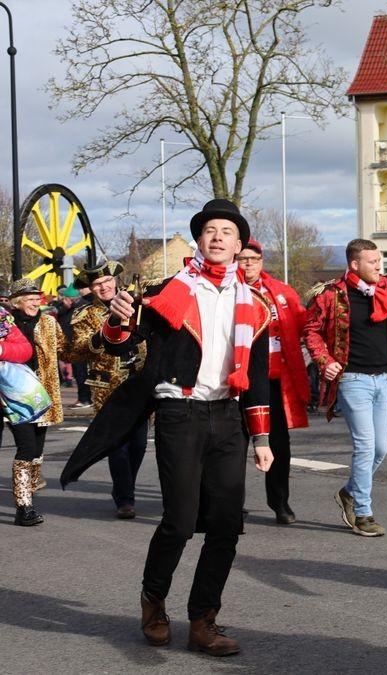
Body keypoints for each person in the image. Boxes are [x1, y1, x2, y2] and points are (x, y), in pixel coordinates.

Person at [70, 198, 274, 656]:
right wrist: (119, 321)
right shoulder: (169, 291)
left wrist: (260, 436)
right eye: (210, 231)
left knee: (226, 524)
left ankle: (203, 620)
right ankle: (153, 599)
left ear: (239, 245)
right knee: (180, 523)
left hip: (227, 416)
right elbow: (119, 344)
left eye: (226, 231)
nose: (217, 237)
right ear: (200, 240)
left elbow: (257, 375)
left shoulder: (256, 305)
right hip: (179, 413)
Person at [304, 238, 387, 537]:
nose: (379, 266)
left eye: (379, 261)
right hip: (352, 379)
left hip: (383, 379)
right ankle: (363, 514)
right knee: (365, 446)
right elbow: (311, 331)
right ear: (355, 264)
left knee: (381, 449)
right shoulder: (331, 295)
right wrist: (324, 360)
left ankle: (349, 492)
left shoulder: (386, 288)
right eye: (373, 262)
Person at [65, 260, 148, 519]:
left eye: (106, 281)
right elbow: (78, 350)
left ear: (115, 281)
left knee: (139, 444)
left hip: (139, 382)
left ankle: (125, 488)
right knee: (118, 444)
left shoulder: (138, 305)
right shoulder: (84, 315)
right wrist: (103, 334)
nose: (103, 287)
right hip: (107, 386)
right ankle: (125, 498)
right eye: (97, 284)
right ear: (90, 288)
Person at [237, 239, 310, 525]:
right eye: (243, 259)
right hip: (240, 382)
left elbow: (306, 324)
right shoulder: (229, 291)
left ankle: (280, 503)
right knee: (235, 444)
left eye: (253, 259)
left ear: (261, 261)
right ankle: (233, 503)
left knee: (279, 445)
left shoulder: (281, 292)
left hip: (275, 383)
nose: (249, 264)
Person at [7, 278, 68, 526]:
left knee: (38, 451)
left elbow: (66, 348)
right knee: (27, 448)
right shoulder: (5, 324)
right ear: (17, 301)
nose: (35, 303)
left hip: (41, 395)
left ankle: (29, 493)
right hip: (12, 395)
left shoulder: (49, 323)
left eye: (37, 299)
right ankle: (24, 507)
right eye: (30, 299)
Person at [2, 298, 38, 526]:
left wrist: (1, 349)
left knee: (28, 447)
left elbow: (25, 350)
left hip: (13, 393)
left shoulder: (1, 316)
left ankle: (24, 507)